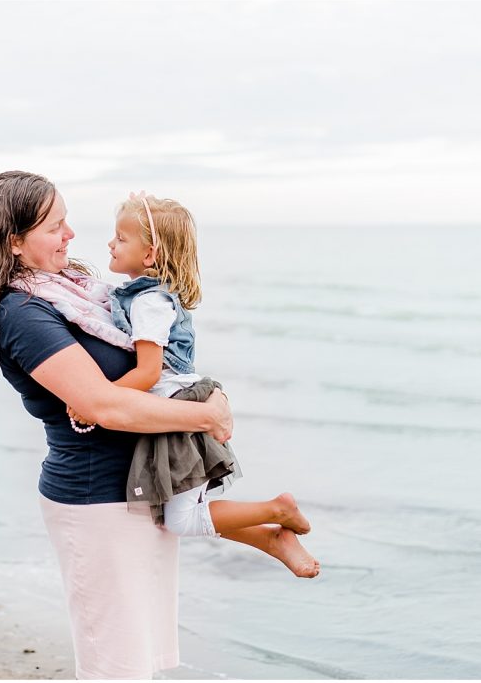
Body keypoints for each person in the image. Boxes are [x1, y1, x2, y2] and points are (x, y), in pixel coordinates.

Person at [0, 171, 312, 679]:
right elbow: (106, 406)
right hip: (98, 502)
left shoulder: (72, 290)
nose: (71, 235)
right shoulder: (24, 314)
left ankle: (268, 535)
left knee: (141, 662)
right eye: (56, 226)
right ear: (15, 241)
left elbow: (159, 357)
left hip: (141, 492)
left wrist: (211, 396)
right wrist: (207, 413)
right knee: (114, 667)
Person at [69, 192, 320, 579]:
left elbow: (149, 373)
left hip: (176, 412)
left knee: (182, 519)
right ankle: (272, 537)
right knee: (187, 510)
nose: (111, 243)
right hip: (176, 409)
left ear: (149, 254)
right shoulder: (143, 294)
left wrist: (96, 398)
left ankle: (276, 511)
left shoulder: (150, 303)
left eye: (121, 238)